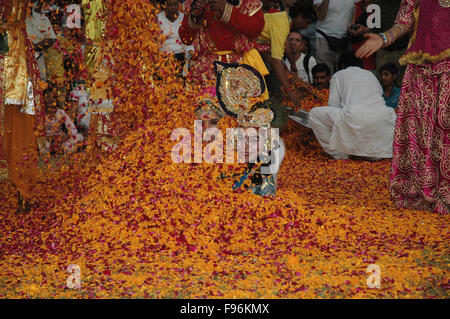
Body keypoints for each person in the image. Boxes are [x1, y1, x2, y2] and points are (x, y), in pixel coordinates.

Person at [356, 0, 449, 214]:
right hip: (421, 70)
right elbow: (404, 21)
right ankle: (426, 189)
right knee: (422, 131)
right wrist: (384, 38)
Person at [308, 51, 396, 160]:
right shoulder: (371, 75)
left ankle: (340, 155)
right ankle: (370, 155)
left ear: (343, 66)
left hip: (355, 116)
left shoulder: (338, 75)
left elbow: (332, 105)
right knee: (361, 123)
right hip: (383, 119)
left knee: (314, 114)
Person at [1, 0, 45, 212]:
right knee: (20, 129)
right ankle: (23, 191)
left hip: (12, 61)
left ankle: (23, 191)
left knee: (19, 130)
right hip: (16, 57)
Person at [179, 0, 266, 87]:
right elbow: (186, 39)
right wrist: (194, 18)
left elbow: (256, 29)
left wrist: (227, 10)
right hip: (206, 68)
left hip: (240, 64)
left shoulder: (247, 3)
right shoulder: (195, 3)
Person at [257, 0, 317, 104]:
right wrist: (289, 91)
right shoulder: (282, 24)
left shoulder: (284, 18)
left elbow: (284, 45)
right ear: (299, 16)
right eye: (306, 22)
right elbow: (276, 61)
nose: (306, 27)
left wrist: (292, 64)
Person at [313, 0, 357, 74]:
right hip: (324, 39)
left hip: (345, 40)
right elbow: (320, 16)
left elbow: (353, 14)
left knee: (344, 75)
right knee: (324, 74)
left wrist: (353, 28)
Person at [25, 1, 57, 82]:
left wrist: (34, 49)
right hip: (21, 61)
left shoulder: (42, 19)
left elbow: (51, 39)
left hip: (38, 60)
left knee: (39, 82)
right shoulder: (15, 22)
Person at [157, 0, 194, 68]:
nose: (173, 7)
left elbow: (188, 40)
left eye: (176, 5)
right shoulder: (157, 18)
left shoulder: (184, 18)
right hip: (163, 56)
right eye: (170, 5)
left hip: (180, 55)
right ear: (164, 5)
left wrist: (189, 53)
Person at [348, 0, 377, 72]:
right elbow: (351, 23)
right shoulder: (357, 5)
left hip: (371, 48)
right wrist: (351, 29)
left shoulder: (378, 6)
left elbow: (380, 28)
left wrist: (365, 30)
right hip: (356, 46)